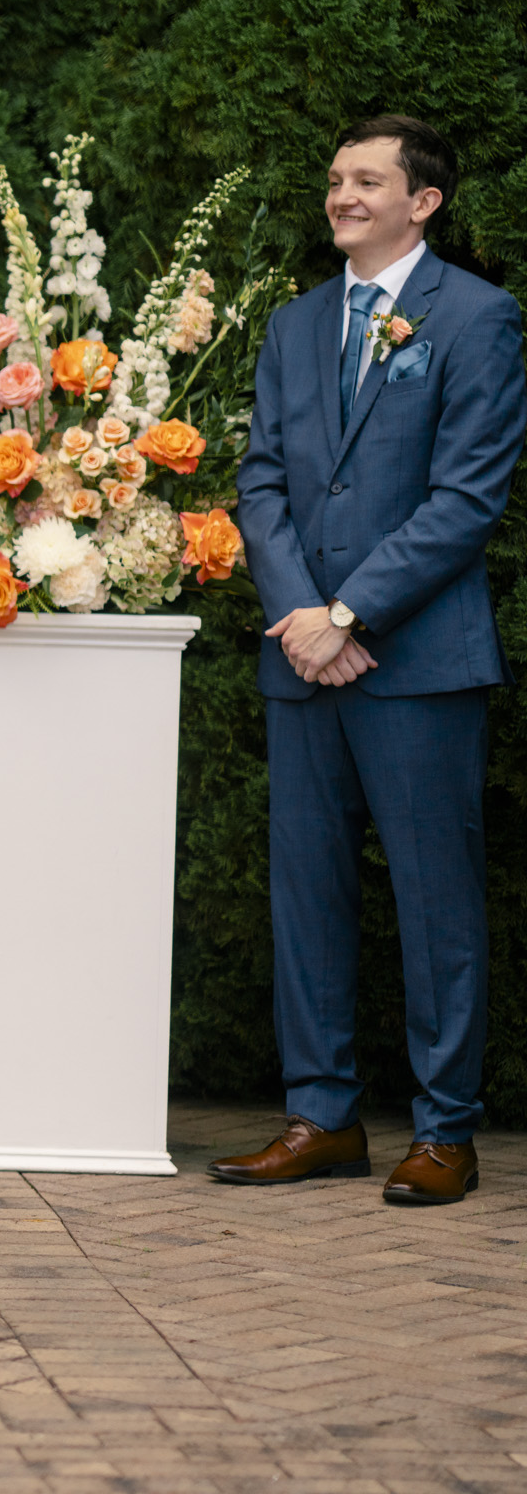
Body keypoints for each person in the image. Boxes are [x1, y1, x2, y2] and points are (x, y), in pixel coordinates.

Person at [213, 115, 524, 1205]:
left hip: (419, 662)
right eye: (337, 179)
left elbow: (468, 496)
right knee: (307, 894)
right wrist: (303, 615)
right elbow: (260, 478)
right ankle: (321, 1115)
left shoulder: (478, 319)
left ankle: (445, 1130)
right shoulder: (296, 325)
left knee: (436, 902)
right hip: (303, 657)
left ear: (422, 201)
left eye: (367, 180)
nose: (342, 196)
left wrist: (351, 612)